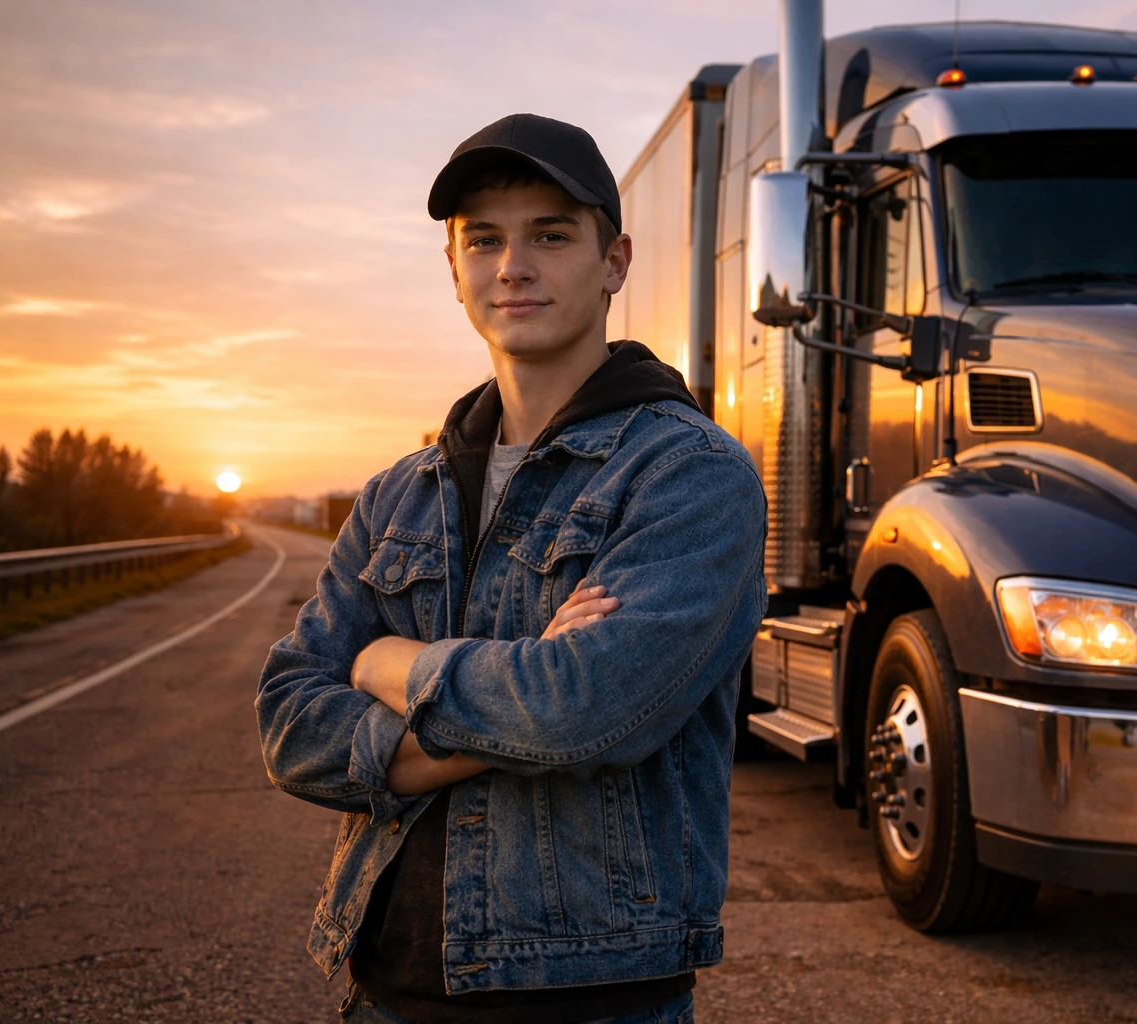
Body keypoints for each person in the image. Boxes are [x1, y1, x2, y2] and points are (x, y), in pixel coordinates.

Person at [255, 113, 767, 1024]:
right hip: (384, 987)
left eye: (551, 235)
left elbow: (588, 711)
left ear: (615, 264)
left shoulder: (689, 474)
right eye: (483, 239)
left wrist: (387, 666)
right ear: (453, 270)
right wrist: (515, 683)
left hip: (590, 1000)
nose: (512, 266)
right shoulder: (394, 497)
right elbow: (291, 722)